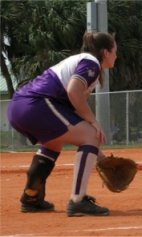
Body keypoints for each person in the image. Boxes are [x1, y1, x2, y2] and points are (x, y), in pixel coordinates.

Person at [7, 32, 117, 216]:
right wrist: (94, 122)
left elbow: (74, 114)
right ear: (106, 52)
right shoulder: (91, 62)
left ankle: (31, 197)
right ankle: (77, 201)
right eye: (115, 51)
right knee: (90, 134)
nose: (116, 56)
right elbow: (74, 91)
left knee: (53, 144)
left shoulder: (83, 63)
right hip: (37, 105)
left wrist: (101, 157)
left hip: (19, 106)